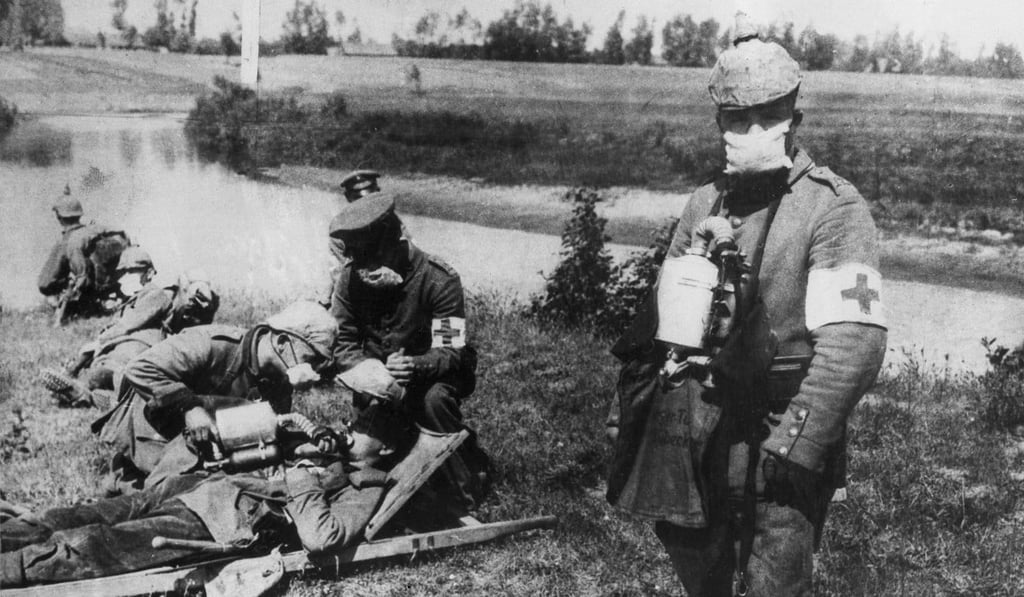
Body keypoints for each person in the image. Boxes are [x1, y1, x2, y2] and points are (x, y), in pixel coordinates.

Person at [605, 15, 887, 597]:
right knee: (695, 567)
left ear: (794, 121)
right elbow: (662, 320)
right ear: (719, 122)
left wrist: (797, 444)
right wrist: (630, 413)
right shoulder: (705, 201)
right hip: (695, 430)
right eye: (736, 118)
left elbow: (855, 345)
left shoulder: (832, 209)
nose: (750, 130)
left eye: (767, 117)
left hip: (778, 432)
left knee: (775, 580)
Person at [1, 404, 415, 588]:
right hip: (197, 486)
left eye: (362, 429)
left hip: (224, 517)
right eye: (351, 418)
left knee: (98, 543)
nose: (348, 429)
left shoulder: (366, 487)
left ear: (386, 449)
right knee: (76, 515)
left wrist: (305, 474)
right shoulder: (332, 453)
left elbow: (322, 538)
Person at [329, 192, 490, 511]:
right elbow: (341, 343)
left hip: (434, 378)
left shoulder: (439, 279)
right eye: (360, 261)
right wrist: (371, 373)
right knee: (362, 453)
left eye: (374, 259)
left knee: (434, 402)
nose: (366, 271)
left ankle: (462, 489)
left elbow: (451, 351)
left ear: (395, 242)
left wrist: (415, 366)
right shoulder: (350, 280)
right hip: (376, 384)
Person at [91, 301, 338, 494]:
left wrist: (303, 443)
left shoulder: (278, 382)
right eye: (311, 360)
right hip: (151, 425)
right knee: (168, 496)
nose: (314, 373)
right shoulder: (212, 343)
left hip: (205, 444)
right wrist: (190, 407)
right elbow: (140, 368)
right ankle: (124, 473)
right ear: (283, 341)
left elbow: (268, 431)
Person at [39, 261, 220, 409]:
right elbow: (127, 325)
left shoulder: (178, 303)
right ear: (182, 288)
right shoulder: (160, 296)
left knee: (109, 376)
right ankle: (94, 397)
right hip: (135, 354)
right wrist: (99, 342)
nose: (191, 304)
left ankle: (86, 394)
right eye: (190, 297)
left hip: (139, 356)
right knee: (113, 377)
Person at [37, 190, 131, 325]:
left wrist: (67, 287)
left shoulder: (68, 242)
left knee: (50, 287)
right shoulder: (96, 229)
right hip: (110, 281)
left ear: (59, 217)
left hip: (87, 288)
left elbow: (45, 283)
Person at [320, 169, 384, 307]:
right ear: (348, 198)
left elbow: (413, 259)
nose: (364, 205)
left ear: (378, 192)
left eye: (370, 198)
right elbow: (339, 276)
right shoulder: (340, 229)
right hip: (358, 297)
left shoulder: (392, 222)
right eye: (358, 200)